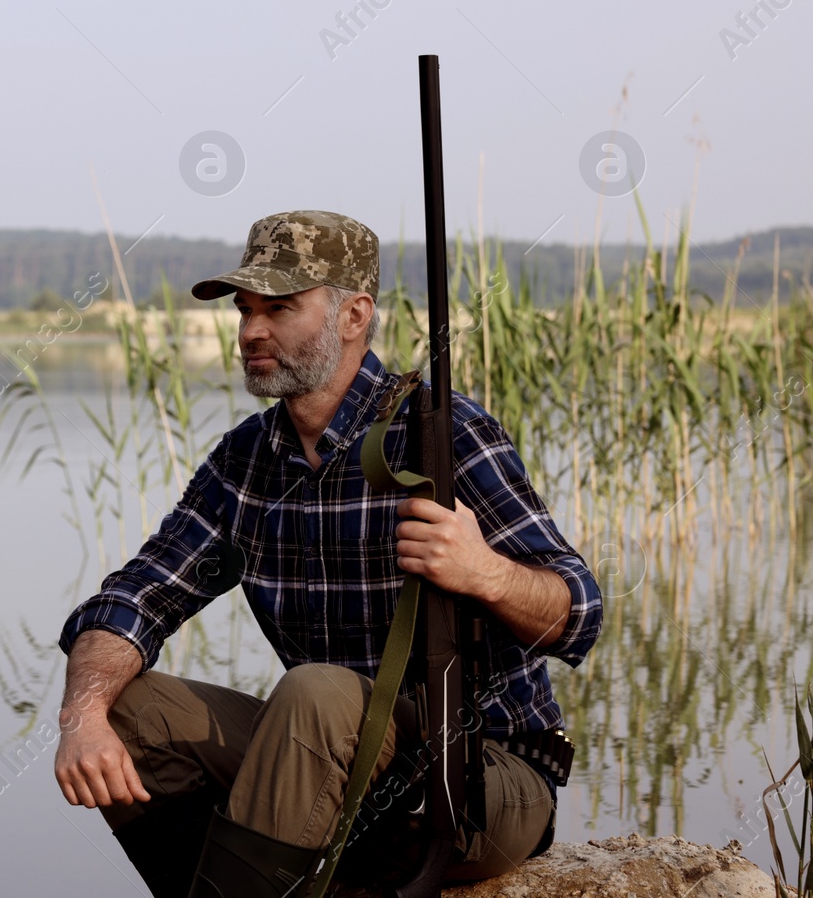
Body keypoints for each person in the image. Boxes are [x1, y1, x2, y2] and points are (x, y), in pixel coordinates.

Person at [52, 211, 602, 896]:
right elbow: (135, 598)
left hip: (481, 773)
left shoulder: (445, 434)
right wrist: (82, 714)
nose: (252, 330)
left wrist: (483, 571)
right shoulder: (245, 461)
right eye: (246, 309)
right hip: (329, 763)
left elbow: (579, 615)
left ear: (354, 316)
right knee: (129, 710)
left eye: (279, 308)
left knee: (316, 691)